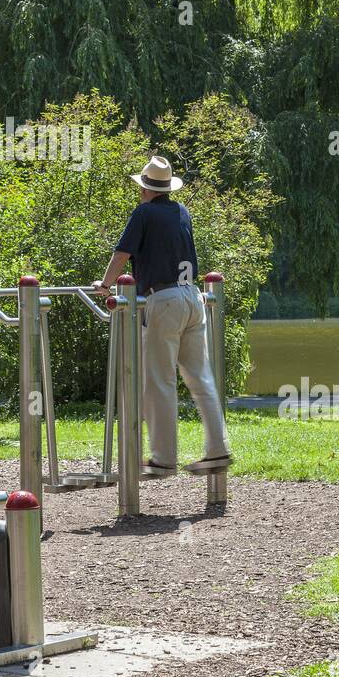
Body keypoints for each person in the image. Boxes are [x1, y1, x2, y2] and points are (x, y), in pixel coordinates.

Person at [91, 154, 232, 476]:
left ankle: (163, 458)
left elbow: (123, 253)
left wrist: (106, 284)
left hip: (164, 300)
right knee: (201, 380)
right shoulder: (181, 211)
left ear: (145, 189)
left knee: (159, 382)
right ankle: (218, 450)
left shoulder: (143, 213)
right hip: (193, 297)